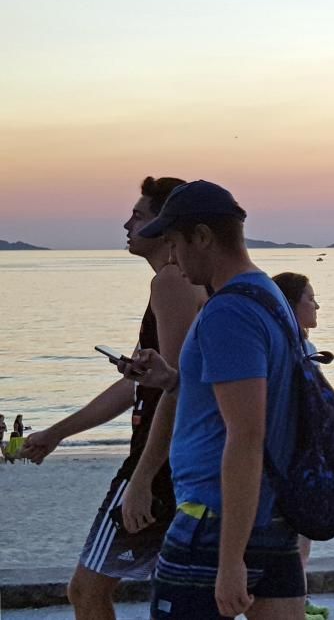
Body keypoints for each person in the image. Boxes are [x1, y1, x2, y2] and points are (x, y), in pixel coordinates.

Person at [21, 176, 205, 619]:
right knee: (183, 590)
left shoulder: (171, 283)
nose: (126, 223)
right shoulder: (185, 282)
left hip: (161, 463)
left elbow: (175, 389)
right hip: (189, 461)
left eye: (138, 215)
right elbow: (146, 385)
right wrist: (57, 432)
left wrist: (142, 480)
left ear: (166, 226)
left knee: (86, 590)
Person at [128, 180, 305, 619]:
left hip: (214, 521)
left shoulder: (228, 311)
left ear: (203, 237)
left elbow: (245, 434)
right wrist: (174, 379)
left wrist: (230, 562)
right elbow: (252, 399)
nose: (171, 258)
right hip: (275, 516)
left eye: (175, 243)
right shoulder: (270, 296)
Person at [272, 271, 329, 620]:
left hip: (301, 455)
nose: (317, 304)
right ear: (292, 305)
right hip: (292, 458)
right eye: (310, 298)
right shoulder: (291, 348)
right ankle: (296, 602)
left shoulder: (302, 345)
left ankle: (301, 598)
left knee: (301, 537)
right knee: (293, 538)